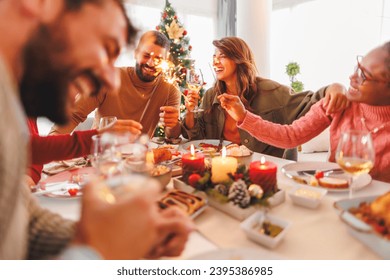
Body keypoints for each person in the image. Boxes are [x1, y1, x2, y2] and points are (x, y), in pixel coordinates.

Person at [0, 0, 193, 260]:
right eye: (105, 47)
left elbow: (21, 224)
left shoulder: (14, 106)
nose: (110, 79)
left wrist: (97, 238)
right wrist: (95, 253)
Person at [219, 41, 390, 183]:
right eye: (357, 67)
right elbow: (290, 136)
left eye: (364, 75)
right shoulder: (339, 104)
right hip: (335, 192)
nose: (353, 78)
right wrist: (243, 116)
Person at [182, 37, 348, 160]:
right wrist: (190, 111)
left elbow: (311, 101)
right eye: (214, 56)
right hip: (223, 171)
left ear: (239, 58)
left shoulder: (271, 92)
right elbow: (199, 140)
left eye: (223, 55)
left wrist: (336, 87)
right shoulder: (211, 95)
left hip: (266, 174)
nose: (215, 61)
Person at [50, 30, 182, 139]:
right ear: (136, 53)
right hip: (101, 156)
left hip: (138, 159)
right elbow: (74, 115)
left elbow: (172, 136)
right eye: (146, 55)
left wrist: (173, 124)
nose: (151, 63)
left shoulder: (170, 89)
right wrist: (52, 142)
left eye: (158, 59)